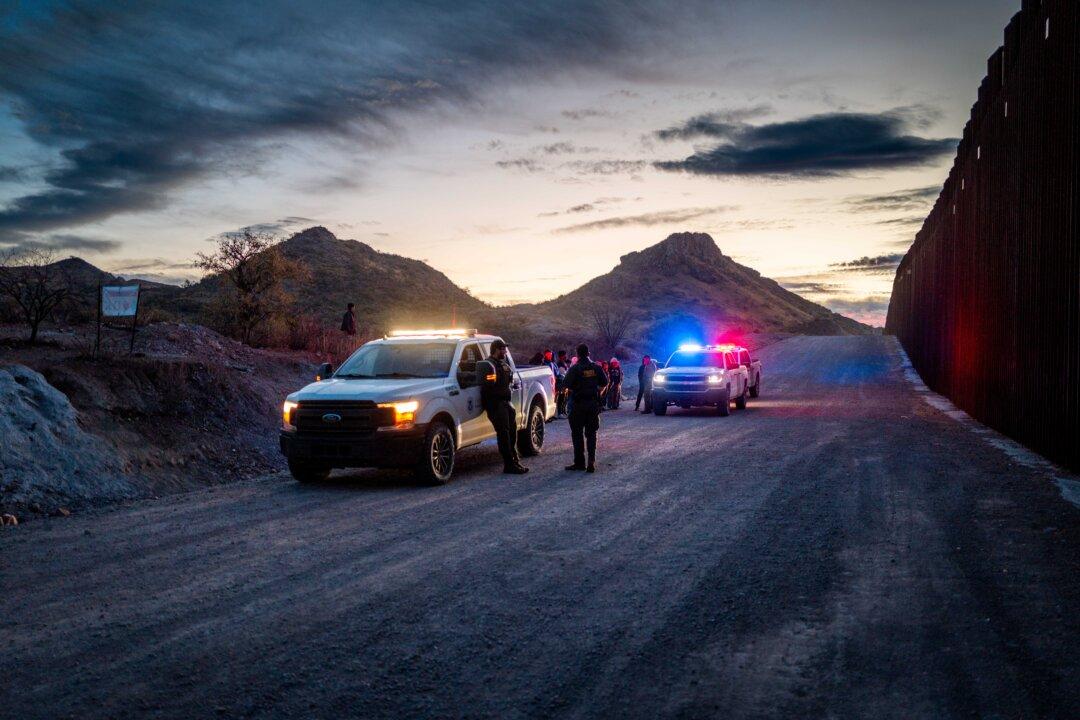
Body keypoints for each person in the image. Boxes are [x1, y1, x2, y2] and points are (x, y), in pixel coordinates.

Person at [478, 339, 529, 474]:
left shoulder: (503, 364)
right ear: (496, 350)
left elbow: (509, 380)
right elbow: (486, 386)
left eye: (505, 349)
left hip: (506, 403)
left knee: (512, 433)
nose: (505, 351)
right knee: (504, 434)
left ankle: (515, 461)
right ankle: (508, 464)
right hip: (496, 404)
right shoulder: (488, 365)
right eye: (502, 349)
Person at [562, 343, 608, 473]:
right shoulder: (596, 368)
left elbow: (566, 384)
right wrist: (598, 392)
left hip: (577, 405)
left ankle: (579, 462)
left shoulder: (574, 369)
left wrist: (576, 389)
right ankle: (591, 461)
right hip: (592, 404)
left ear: (577, 355)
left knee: (577, 435)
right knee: (591, 433)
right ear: (588, 354)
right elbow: (605, 382)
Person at [555, 350, 570, 418]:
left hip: (564, 382)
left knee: (564, 398)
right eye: (565, 355)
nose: (566, 356)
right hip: (561, 383)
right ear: (561, 356)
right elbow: (562, 374)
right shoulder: (559, 364)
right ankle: (559, 413)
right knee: (560, 398)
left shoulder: (563, 363)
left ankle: (563, 411)